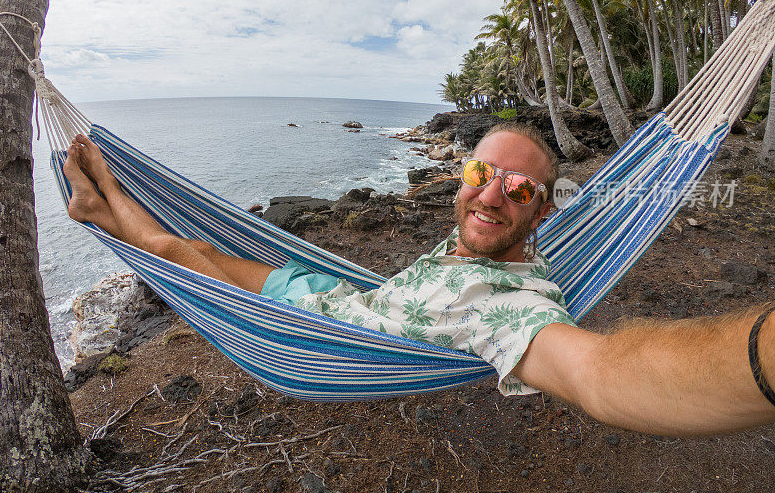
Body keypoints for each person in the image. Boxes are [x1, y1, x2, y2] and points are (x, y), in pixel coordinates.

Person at [62, 124, 775, 437]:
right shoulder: (482, 242)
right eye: (477, 175)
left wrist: (761, 361)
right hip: (330, 294)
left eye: (519, 190)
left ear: (545, 210)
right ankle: (109, 199)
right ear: (458, 179)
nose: (491, 197)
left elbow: (601, 374)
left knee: (179, 249)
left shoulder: (507, 305)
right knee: (198, 247)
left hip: (328, 332)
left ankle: (100, 201)